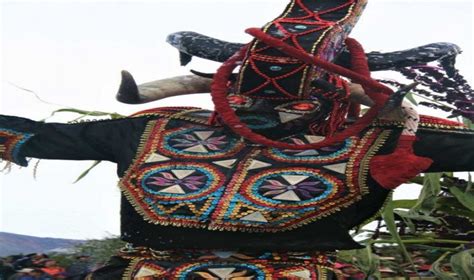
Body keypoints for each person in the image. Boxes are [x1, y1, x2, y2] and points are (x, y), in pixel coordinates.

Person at [1, 0, 473, 279]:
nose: (265, 108)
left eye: (291, 99)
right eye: (252, 94)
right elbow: (37, 137)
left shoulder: (377, 140)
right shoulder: (158, 128)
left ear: (330, 99)